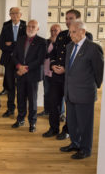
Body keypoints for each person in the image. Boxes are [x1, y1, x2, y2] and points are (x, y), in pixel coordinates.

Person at [59, 19, 103, 159]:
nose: (70, 35)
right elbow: (69, 70)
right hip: (70, 93)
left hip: (85, 94)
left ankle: (85, 149)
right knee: (72, 122)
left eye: (73, 32)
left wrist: (92, 87)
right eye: (70, 32)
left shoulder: (93, 48)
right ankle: (75, 143)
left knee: (85, 124)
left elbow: (99, 72)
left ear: (83, 31)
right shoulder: (70, 47)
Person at [48, 9, 93, 140]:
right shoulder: (61, 34)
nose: (67, 21)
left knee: (71, 107)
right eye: (66, 18)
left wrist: (66, 69)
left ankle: (67, 130)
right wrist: (53, 65)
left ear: (78, 19)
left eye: (71, 18)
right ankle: (53, 128)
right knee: (53, 102)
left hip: (72, 79)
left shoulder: (86, 36)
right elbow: (54, 54)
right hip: (57, 76)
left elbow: (81, 60)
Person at [11, 20, 46, 132]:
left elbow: (40, 60)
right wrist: (18, 66)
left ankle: (32, 122)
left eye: (33, 26)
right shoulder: (20, 39)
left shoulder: (42, 41)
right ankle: (20, 119)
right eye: (29, 26)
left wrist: (25, 68)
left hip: (32, 74)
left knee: (32, 100)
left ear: (37, 29)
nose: (30, 28)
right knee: (20, 98)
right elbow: (14, 56)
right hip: (20, 74)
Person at [0, 7, 27, 118]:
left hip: (21, 61)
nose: (14, 15)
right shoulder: (5, 28)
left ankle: (21, 111)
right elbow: (1, 45)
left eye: (16, 13)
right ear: (10, 15)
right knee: (10, 86)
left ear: (20, 15)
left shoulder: (25, 27)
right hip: (9, 61)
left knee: (20, 86)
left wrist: (12, 44)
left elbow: (25, 45)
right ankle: (10, 109)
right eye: (12, 13)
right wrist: (16, 45)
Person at [38, 24, 61, 117]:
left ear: (60, 31)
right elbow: (44, 55)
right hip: (46, 71)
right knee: (46, 92)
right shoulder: (46, 41)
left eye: (55, 30)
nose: (53, 32)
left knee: (59, 95)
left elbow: (57, 55)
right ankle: (46, 110)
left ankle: (60, 114)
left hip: (57, 72)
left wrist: (55, 43)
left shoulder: (62, 43)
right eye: (52, 30)